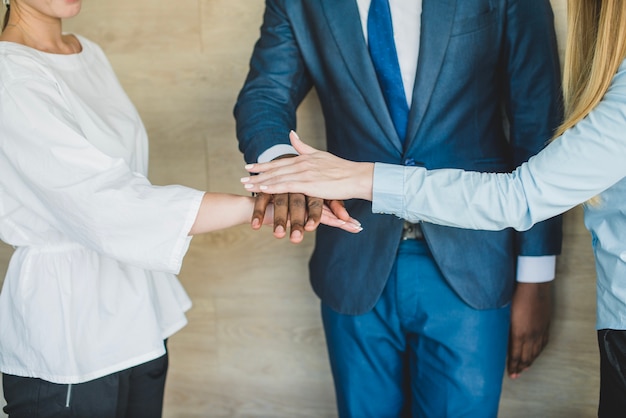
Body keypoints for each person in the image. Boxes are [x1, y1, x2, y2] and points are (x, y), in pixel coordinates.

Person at [241, 1, 626, 416]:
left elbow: (536, 122)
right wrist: (282, 166)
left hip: (473, 259)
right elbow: (265, 92)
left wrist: (535, 278)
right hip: (353, 253)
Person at [0, 1, 359, 417]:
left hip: (141, 317)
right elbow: (104, 205)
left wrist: (281, 191)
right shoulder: (9, 74)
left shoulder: (87, 52)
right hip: (70, 334)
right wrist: (259, 204)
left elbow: (127, 177)